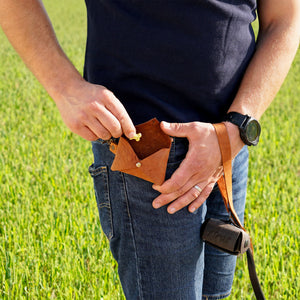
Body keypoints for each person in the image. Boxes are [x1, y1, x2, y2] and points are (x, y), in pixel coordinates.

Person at [1, 0, 299, 299]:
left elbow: (284, 18)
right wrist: (64, 87)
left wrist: (237, 129)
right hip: (146, 150)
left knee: (215, 294)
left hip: (229, 142)